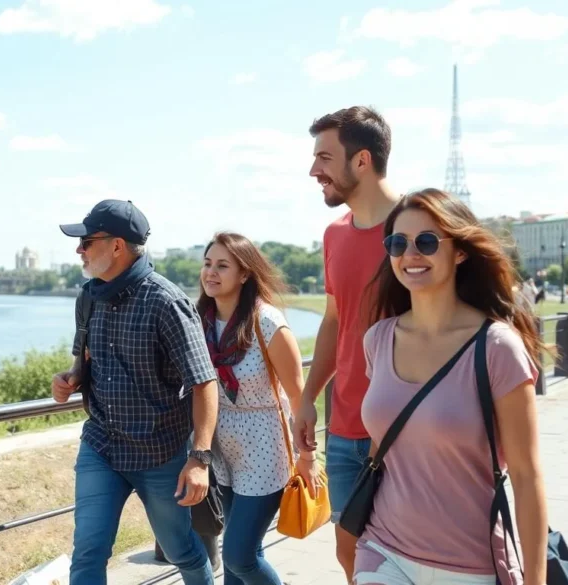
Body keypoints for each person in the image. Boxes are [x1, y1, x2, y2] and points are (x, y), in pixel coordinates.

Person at [354, 188, 549, 585]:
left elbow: (527, 477)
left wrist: (536, 580)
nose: (410, 254)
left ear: (459, 251)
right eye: (397, 243)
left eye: (426, 242)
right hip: (383, 550)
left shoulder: (497, 348)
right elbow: (384, 442)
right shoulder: (378, 339)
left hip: (470, 566)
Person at [51, 199, 219, 585]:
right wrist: (71, 378)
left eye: (86, 241)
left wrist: (199, 459)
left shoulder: (166, 302)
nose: (79, 250)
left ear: (116, 246)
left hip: (159, 453)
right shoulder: (88, 297)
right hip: (101, 446)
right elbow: (84, 362)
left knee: (181, 549)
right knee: (88, 552)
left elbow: (203, 382)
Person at [293, 105, 401, 581]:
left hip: (404, 427)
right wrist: (306, 398)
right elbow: (336, 323)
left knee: (407, 554)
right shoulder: (333, 235)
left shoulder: (417, 230)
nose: (314, 170)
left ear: (361, 161)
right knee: (350, 554)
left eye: (324, 157)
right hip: (343, 428)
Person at [197, 232, 324, 585]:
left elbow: (299, 397)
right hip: (224, 450)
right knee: (247, 550)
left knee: (238, 555)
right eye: (208, 264)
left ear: (244, 274)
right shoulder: (201, 321)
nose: (211, 272)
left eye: (223, 265)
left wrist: (307, 457)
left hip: (265, 447)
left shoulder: (267, 322)